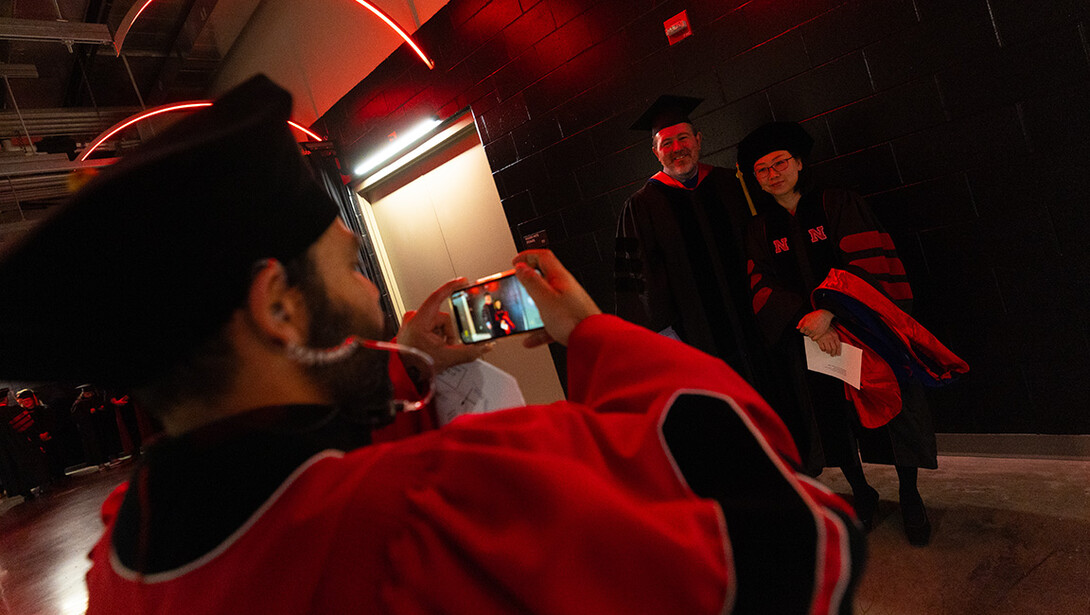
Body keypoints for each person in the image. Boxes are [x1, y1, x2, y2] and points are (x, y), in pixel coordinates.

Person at [0, 76, 864, 613]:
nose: (376, 290)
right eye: (350, 266)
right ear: (279, 310)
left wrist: (409, 361)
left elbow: (284, 448)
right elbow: (797, 530)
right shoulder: (448, 500)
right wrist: (592, 333)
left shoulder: (121, 557)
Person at [738, 121, 967, 546]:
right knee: (831, 421)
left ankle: (910, 495)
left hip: (861, 329)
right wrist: (807, 321)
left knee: (892, 409)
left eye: (780, 163)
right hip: (807, 339)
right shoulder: (759, 230)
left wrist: (829, 312)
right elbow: (760, 286)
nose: (773, 173)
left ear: (799, 163)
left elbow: (867, 258)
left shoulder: (837, 203)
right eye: (762, 169)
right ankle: (861, 492)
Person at [614, 95, 773, 395]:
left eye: (683, 138)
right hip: (693, 341)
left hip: (755, 327)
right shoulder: (640, 207)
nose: (677, 148)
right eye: (666, 143)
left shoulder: (731, 184)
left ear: (698, 140)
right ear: (655, 152)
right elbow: (636, 289)